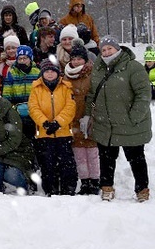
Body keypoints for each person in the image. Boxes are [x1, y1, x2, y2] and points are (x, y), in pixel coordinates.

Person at [86, 36, 151, 202]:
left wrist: (134, 117)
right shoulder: (99, 68)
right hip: (105, 123)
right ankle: (106, 187)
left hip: (130, 124)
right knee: (106, 158)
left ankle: (142, 189)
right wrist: (88, 115)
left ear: (118, 49)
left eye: (110, 48)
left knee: (136, 159)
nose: (107, 52)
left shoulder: (133, 67)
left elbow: (143, 94)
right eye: (104, 49)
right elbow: (92, 94)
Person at [29, 59, 77, 196]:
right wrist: (44, 122)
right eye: (47, 71)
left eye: (52, 71)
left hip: (63, 133)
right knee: (47, 164)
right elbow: (33, 108)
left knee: (66, 163)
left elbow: (70, 107)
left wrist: (58, 123)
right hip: (44, 134)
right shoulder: (36, 88)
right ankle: (50, 189)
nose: (50, 74)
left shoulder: (66, 87)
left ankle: (68, 188)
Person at [63, 41, 100, 195]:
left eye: (79, 58)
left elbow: (96, 96)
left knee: (92, 153)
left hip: (90, 118)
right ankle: (84, 182)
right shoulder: (66, 76)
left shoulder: (93, 74)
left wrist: (90, 115)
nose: (76, 61)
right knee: (79, 154)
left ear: (85, 59)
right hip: (73, 119)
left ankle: (95, 181)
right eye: (74, 58)